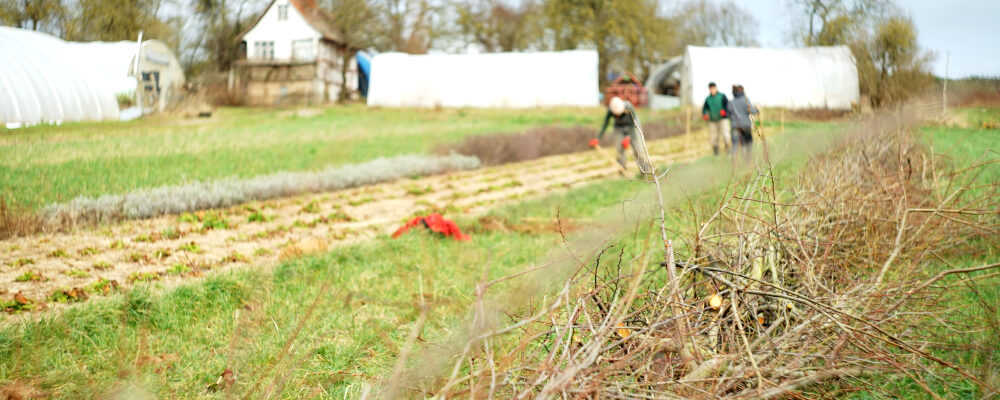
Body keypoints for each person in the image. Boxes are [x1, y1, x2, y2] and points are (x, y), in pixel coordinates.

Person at [592, 96, 634, 170]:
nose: (617, 116)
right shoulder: (610, 110)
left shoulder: (628, 107)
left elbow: (634, 123)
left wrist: (628, 137)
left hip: (632, 127)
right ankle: (622, 170)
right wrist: (597, 138)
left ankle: (645, 171)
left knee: (638, 148)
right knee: (619, 149)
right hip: (619, 128)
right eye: (616, 115)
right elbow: (605, 124)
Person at [727, 84, 758, 157]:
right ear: (742, 91)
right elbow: (751, 111)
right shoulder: (746, 99)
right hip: (746, 126)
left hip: (735, 126)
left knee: (735, 144)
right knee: (748, 143)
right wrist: (757, 110)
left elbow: (728, 114)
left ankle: (734, 164)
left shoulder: (730, 102)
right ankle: (748, 161)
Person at [701, 82, 730, 155]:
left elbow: (727, 105)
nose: (712, 90)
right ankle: (716, 152)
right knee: (714, 137)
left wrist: (725, 111)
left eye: (713, 88)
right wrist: (704, 114)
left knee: (725, 135)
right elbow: (704, 108)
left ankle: (728, 150)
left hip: (723, 119)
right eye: (711, 89)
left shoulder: (722, 96)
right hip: (712, 120)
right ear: (709, 89)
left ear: (716, 88)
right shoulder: (708, 99)